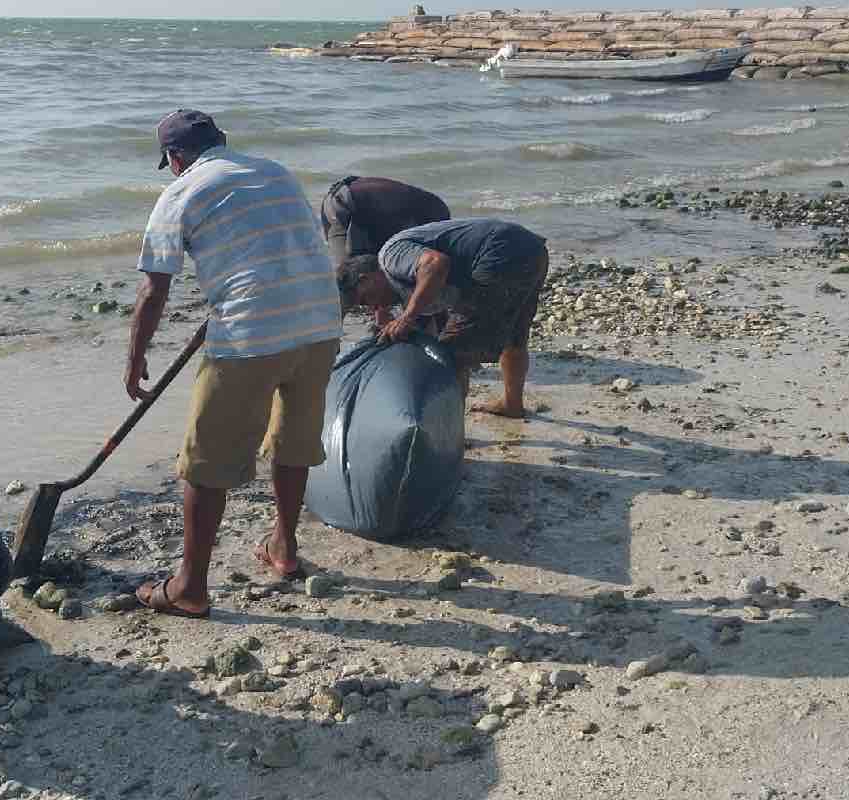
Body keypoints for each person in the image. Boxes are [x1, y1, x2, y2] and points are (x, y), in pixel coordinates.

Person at [126, 110, 342, 618]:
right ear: (222, 141)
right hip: (320, 321)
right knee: (292, 440)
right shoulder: (275, 170)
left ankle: (190, 589)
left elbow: (155, 288)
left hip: (250, 335)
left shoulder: (178, 193)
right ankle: (284, 548)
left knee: (204, 464)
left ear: (175, 159)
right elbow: (282, 245)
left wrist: (135, 356)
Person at [336, 217, 549, 419]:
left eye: (365, 300)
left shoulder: (390, 257)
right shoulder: (404, 286)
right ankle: (512, 405)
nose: (373, 307)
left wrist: (406, 318)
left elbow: (435, 263)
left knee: (450, 356)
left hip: (499, 254)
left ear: (366, 279)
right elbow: (428, 330)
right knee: (515, 337)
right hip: (530, 250)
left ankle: (451, 434)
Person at [320, 176, 450, 329]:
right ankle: (331, 340)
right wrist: (384, 313)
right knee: (348, 280)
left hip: (343, 198)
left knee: (361, 278)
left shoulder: (427, 225)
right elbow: (377, 270)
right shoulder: (428, 228)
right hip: (348, 205)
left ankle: (334, 334)